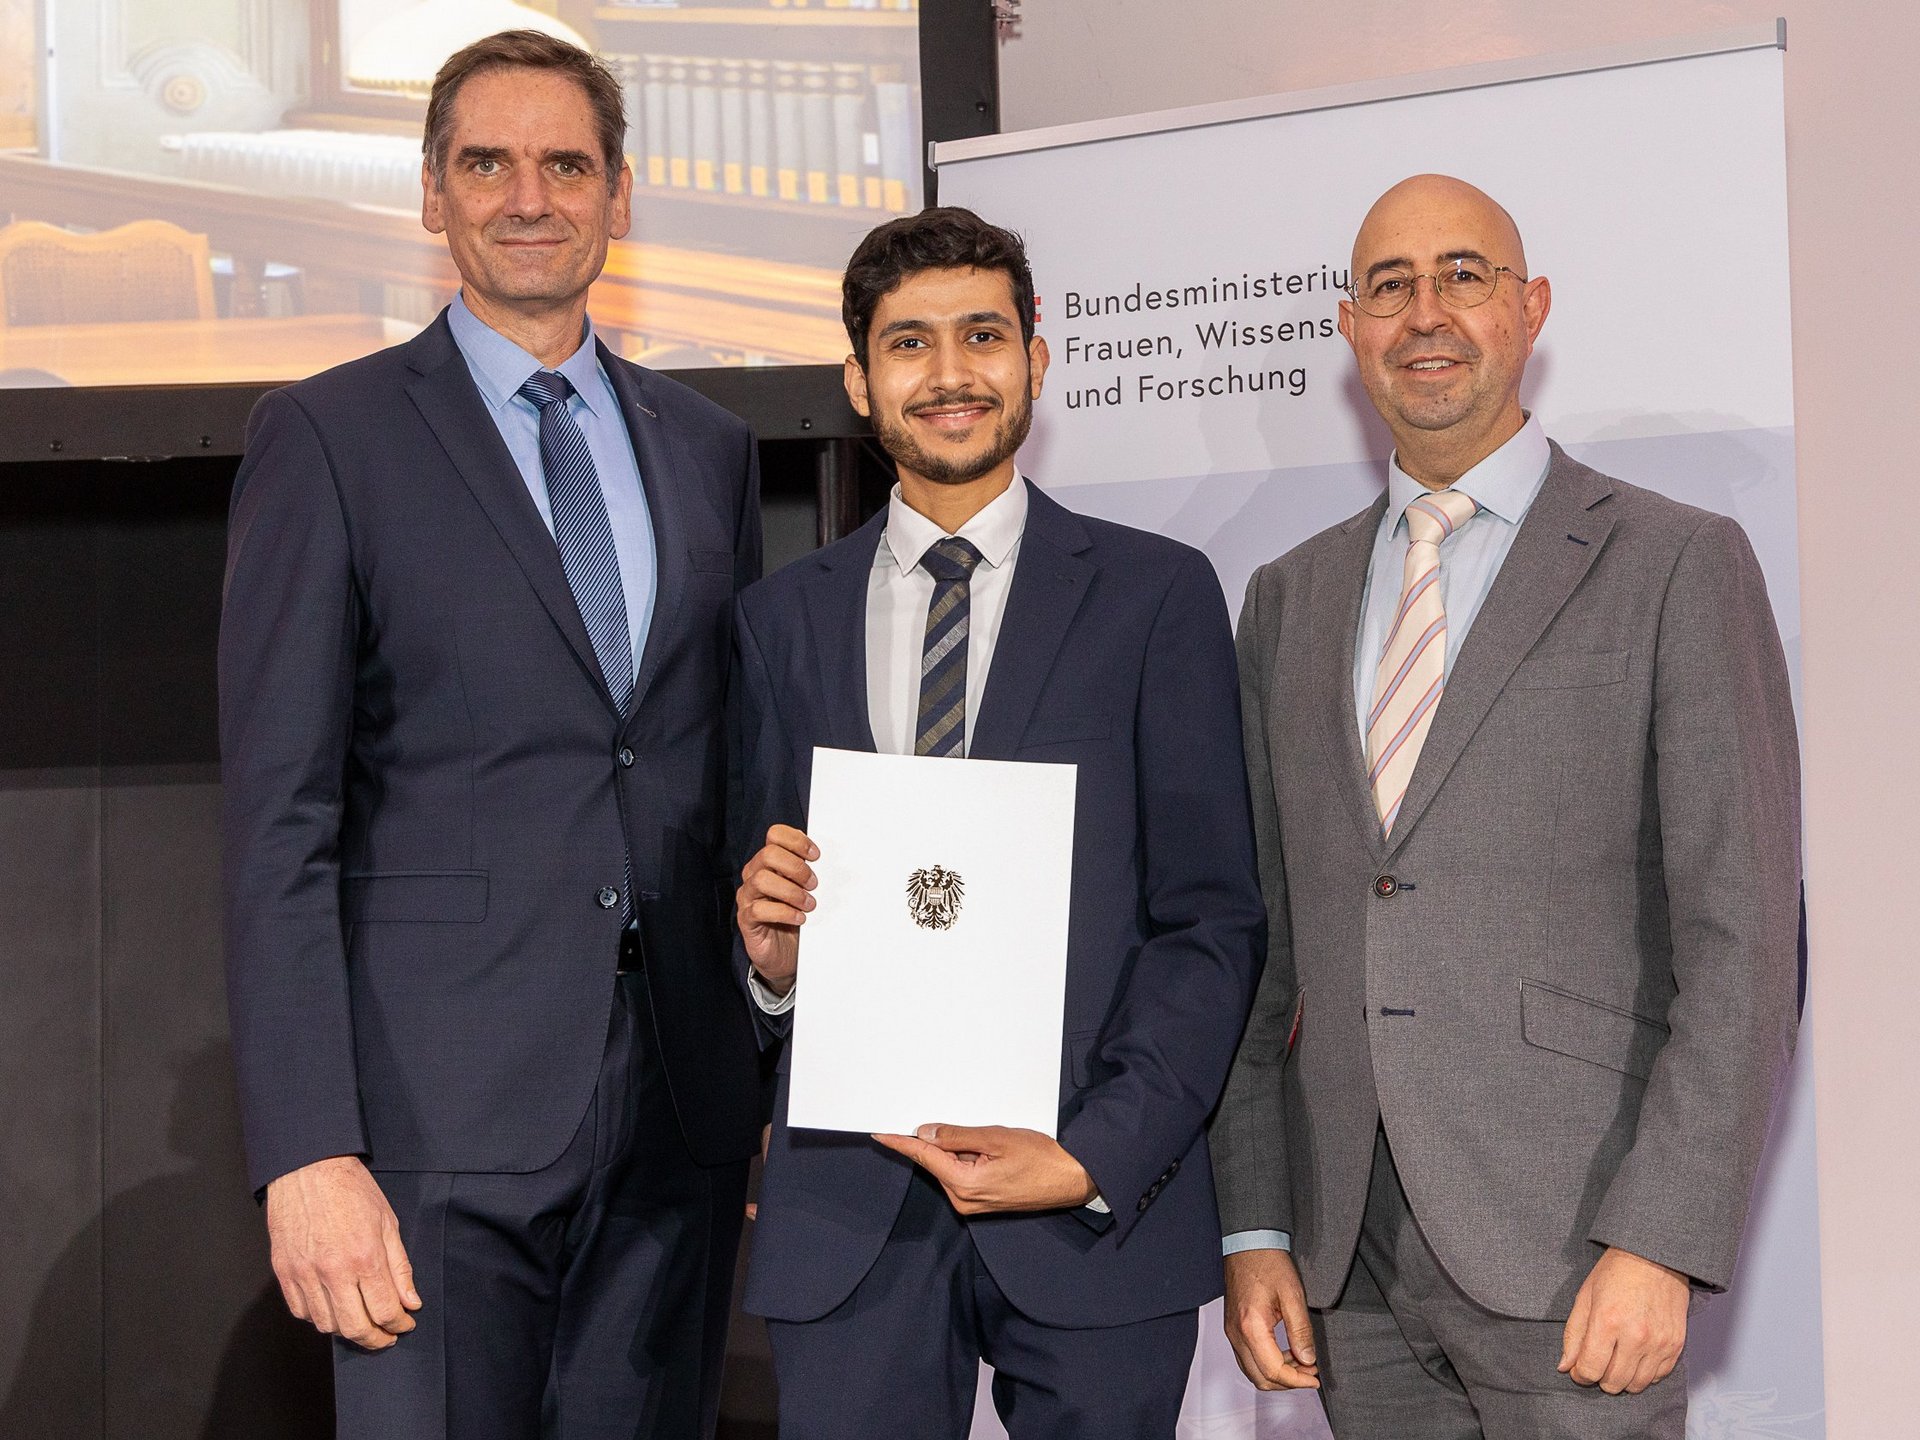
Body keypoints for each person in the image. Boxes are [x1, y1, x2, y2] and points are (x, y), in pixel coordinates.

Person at [218, 30, 762, 1439]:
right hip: (429, 1135)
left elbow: (719, 770)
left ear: (619, 195)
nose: (530, 197)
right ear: (431, 194)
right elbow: (279, 824)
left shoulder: (709, 448)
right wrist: (308, 1148)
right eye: (488, 164)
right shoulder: (328, 439)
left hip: (682, 1122)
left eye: (566, 165)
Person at [1211, 173, 1802, 1439]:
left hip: (1578, 1248)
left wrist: (1662, 1236)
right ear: (1349, 328)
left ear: (1529, 309)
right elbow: (1266, 947)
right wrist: (1256, 1224)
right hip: (1348, 1259)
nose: (1425, 313)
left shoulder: (1676, 561)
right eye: (1390, 286)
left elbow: (1746, 937)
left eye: (1463, 276)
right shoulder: (1286, 597)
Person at [728, 206, 1265, 1438]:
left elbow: (1211, 920)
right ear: (859, 380)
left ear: (1036, 357)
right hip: (848, 1216)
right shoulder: (779, 620)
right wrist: (771, 968)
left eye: (982, 335)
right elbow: (758, 902)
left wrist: (1096, 1154)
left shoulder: (1156, 596)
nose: (951, 374)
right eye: (908, 343)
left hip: (1088, 1205)